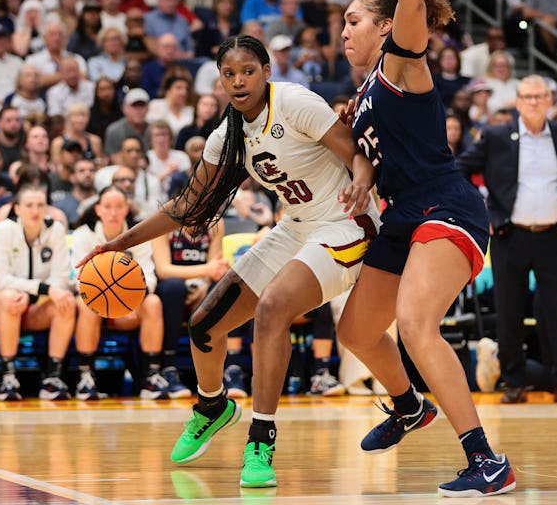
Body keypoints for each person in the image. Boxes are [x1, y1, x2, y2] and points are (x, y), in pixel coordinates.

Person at [76, 34, 378, 488]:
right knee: (204, 324)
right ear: (218, 80)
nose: (238, 81)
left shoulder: (295, 102)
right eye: (229, 74)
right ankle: (213, 406)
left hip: (346, 222)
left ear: (267, 72)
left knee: (273, 308)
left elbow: (356, 154)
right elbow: (185, 207)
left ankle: (261, 440)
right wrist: (118, 243)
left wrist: (359, 184)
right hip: (297, 226)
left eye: (248, 71)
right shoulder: (226, 137)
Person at [340, 0, 516, 496]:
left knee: (416, 324)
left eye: (354, 21)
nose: (344, 31)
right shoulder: (367, 88)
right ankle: (409, 406)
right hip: (401, 217)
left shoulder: (402, 62)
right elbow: (375, 148)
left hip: (445, 207)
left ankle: (486, 462)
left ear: (386, 26)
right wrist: (363, 176)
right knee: (354, 331)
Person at [458, 74, 557, 406]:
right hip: (511, 236)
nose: (534, 102)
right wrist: (484, 212)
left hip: (555, 235)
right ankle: (515, 381)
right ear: (517, 102)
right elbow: (460, 169)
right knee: (509, 311)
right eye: (527, 97)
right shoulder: (495, 136)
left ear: (550, 100)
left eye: (540, 96)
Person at [72, 186, 171, 400]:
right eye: (108, 207)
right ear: (98, 210)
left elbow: (149, 275)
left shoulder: (139, 235)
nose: (113, 212)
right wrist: (110, 306)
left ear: (126, 209)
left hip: (130, 309)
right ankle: (85, 377)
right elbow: (77, 279)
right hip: (96, 306)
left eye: (118, 207)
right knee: (83, 304)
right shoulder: (83, 235)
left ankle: (151, 376)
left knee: (153, 302)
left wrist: (128, 302)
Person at [0, 185, 77, 401]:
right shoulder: (3, 230)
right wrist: (39, 289)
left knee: (66, 300)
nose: (35, 211)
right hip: (0, 304)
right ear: (17, 209)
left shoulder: (55, 230)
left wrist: (41, 294)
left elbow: (61, 277)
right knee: (10, 299)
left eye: (40, 205)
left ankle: (53, 377)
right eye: (28, 205)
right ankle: (8, 377)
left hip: (38, 306)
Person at [152, 218, 230, 398]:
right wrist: (206, 271)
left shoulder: (216, 222)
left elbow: (215, 269)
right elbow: (164, 270)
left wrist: (204, 285)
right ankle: (168, 368)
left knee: (220, 290)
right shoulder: (164, 223)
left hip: (201, 289)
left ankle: (217, 375)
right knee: (174, 288)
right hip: (170, 292)